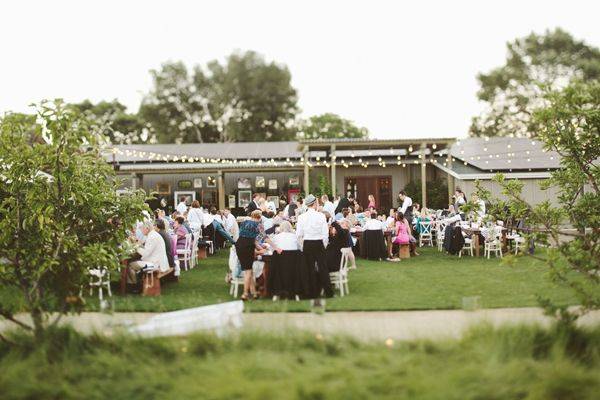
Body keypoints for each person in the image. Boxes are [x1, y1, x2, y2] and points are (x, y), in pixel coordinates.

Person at [235, 210, 281, 301]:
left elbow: (252, 239)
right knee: (248, 271)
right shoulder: (258, 225)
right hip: (247, 248)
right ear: (260, 218)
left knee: (249, 269)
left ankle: (254, 293)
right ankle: (245, 294)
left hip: (239, 245)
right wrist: (275, 248)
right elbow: (265, 237)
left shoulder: (244, 223)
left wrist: (260, 247)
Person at [296, 194, 333, 298]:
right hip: (318, 242)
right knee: (323, 268)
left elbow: (298, 234)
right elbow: (325, 234)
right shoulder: (321, 215)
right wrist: (324, 245)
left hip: (307, 243)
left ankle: (309, 292)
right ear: (314, 204)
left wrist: (302, 246)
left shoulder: (302, 217)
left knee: (308, 269)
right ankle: (328, 292)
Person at [127, 220, 170, 285]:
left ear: (147, 228)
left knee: (130, 265)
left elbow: (145, 253)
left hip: (156, 263)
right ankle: (137, 283)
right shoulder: (153, 234)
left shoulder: (152, 237)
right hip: (159, 261)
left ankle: (134, 285)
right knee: (135, 261)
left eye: (141, 229)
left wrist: (136, 247)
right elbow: (147, 250)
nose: (141, 231)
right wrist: (138, 246)